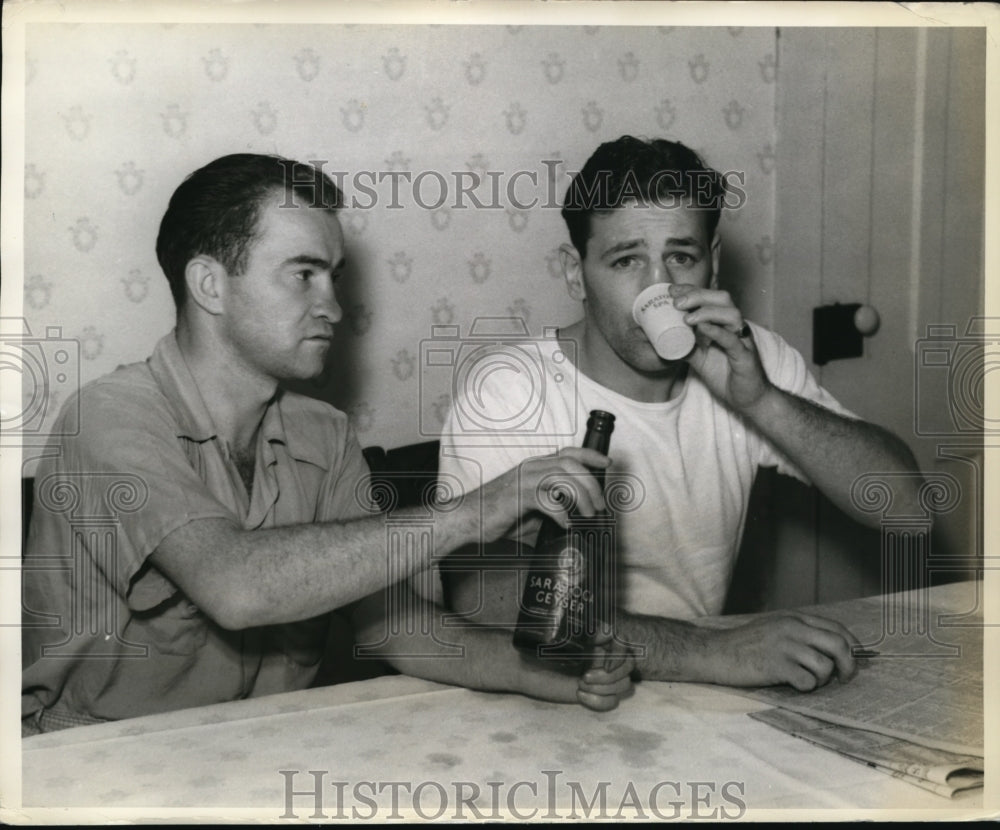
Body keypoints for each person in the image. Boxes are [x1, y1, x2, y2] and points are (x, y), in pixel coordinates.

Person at [21, 153, 633, 734]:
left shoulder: (327, 433)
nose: (334, 307)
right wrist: (474, 512)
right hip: (98, 760)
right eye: (303, 275)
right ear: (210, 284)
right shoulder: (107, 420)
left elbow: (405, 633)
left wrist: (561, 676)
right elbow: (237, 587)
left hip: (260, 757)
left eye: (333, 277)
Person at [437, 136, 924, 692]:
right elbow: (481, 601)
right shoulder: (507, 389)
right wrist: (709, 650)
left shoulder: (749, 359)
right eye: (626, 260)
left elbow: (908, 508)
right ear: (576, 273)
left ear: (712, 263)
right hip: (557, 692)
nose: (658, 288)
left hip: (697, 691)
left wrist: (761, 401)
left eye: (681, 257)